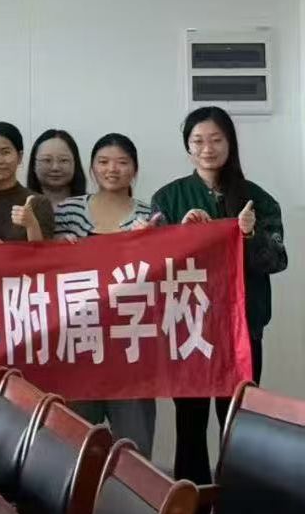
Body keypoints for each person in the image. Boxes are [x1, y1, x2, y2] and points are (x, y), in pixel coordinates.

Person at [150, 107, 287, 485]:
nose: (207, 149)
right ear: (187, 147)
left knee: (238, 421)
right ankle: (189, 505)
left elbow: (277, 261)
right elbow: (155, 265)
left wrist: (247, 235)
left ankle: (238, 505)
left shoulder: (257, 199)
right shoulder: (169, 197)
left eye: (216, 140)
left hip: (242, 330)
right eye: (198, 141)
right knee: (190, 423)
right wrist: (182, 235)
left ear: (230, 144)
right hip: (189, 327)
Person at [54, 133, 158, 453]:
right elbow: (45, 272)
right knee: (72, 447)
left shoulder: (149, 215)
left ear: (135, 170)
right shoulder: (68, 210)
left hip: (131, 347)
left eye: (122, 162)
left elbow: (163, 278)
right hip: (79, 343)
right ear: (91, 168)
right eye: (103, 162)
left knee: (135, 450)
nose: (112, 169)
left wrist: (150, 245)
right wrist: (53, 247)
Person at [0, 122, 52, 243]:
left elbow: (46, 250)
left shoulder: (38, 202)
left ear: (20, 157)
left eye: (5, 152)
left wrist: (31, 224)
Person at [27, 129, 86, 206]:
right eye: (47, 160)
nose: (55, 167)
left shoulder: (91, 206)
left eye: (63, 160)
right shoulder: (21, 206)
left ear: (75, 163)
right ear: (34, 165)